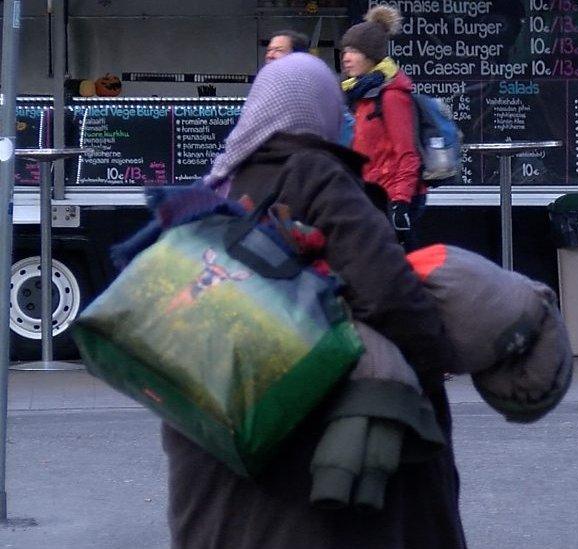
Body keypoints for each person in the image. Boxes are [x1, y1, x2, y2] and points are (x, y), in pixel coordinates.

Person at [164, 53, 466, 548]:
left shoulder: (217, 187)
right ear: (320, 111)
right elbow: (389, 293)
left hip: (211, 456)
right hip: (304, 466)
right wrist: (433, 362)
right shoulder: (316, 174)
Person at [340, 5, 426, 251]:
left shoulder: (390, 95)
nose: (346, 57)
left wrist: (400, 204)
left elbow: (407, 152)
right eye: (345, 50)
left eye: (354, 51)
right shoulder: (361, 94)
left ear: (371, 55)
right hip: (371, 194)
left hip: (391, 199)